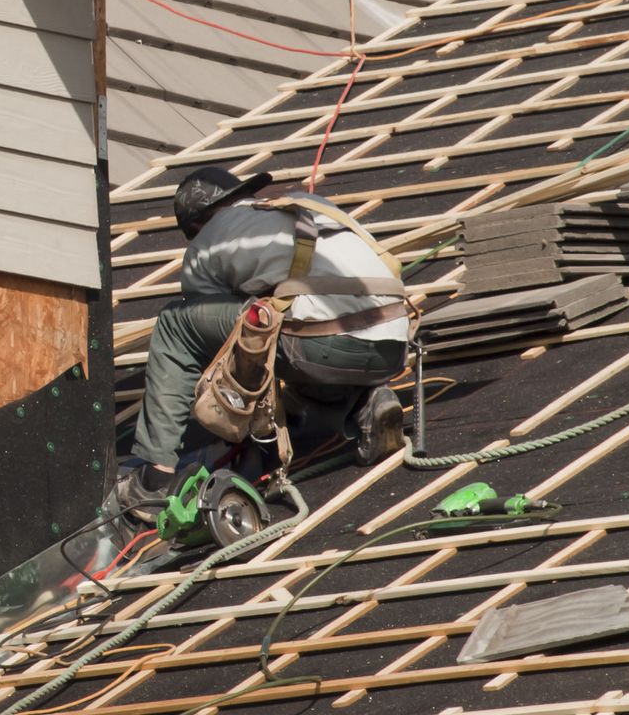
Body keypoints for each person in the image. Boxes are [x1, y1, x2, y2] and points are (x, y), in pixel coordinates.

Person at [111, 165, 411, 525]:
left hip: (324, 344)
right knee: (292, 313)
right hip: (394, 340)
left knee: (178, 323)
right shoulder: (308, 204)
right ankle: (365, 402)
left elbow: (228, 344)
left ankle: (156, 478)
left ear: (194, 227)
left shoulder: (209, 241)